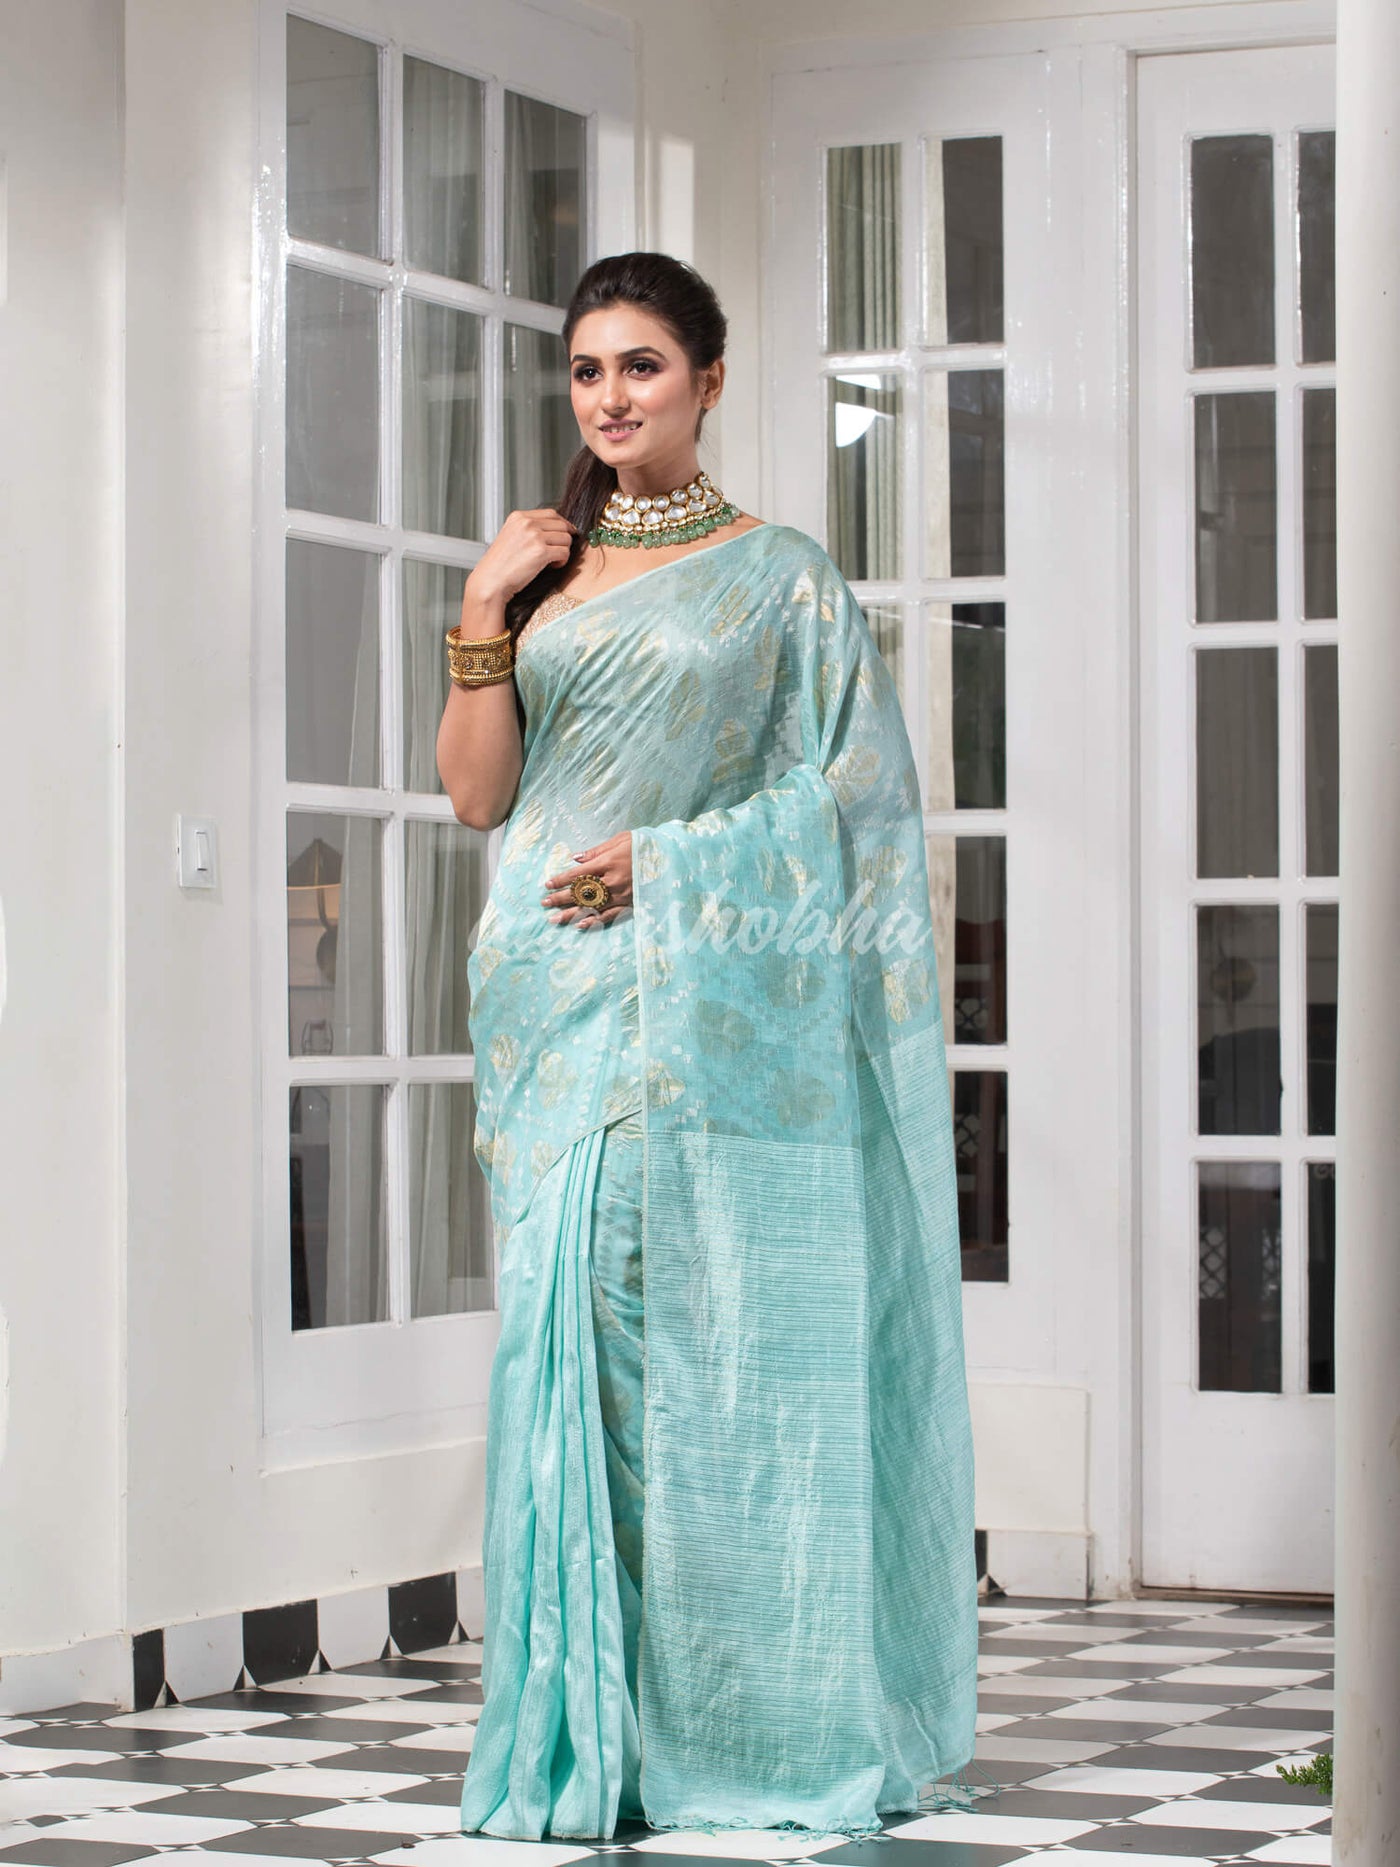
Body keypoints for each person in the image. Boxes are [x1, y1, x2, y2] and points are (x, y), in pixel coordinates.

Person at [435, 251, 981, 1845]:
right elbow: (478, 797)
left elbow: (856, 797)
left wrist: (670, 869)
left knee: (678, 1348)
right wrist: (479, 612)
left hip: (694, 996)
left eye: (643, 367)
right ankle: (584, 1730)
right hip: (547, 996)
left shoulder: (781, 575)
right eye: (587, 370)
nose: (610, 398)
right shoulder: (541, 568)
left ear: (710, 381)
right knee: (567, 1349)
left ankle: (710, 1727)